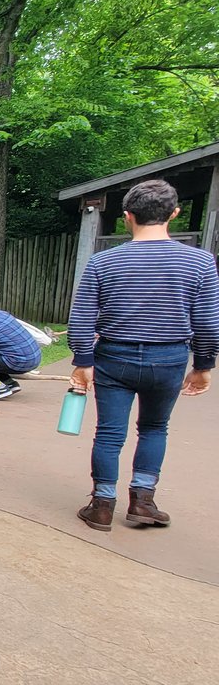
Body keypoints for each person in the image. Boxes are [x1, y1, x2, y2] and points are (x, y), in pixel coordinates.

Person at [68, 178, 218, 531]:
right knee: (154, 428)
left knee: (108, 433)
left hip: (113, 358)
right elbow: (209, 323)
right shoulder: (199, 263)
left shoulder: (103, 262)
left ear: (127, 217)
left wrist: (82, 362)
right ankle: (143, 502)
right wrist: (204, 366)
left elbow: (81, 318)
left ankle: (101, 506)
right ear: (175, 214)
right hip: (168, 359)